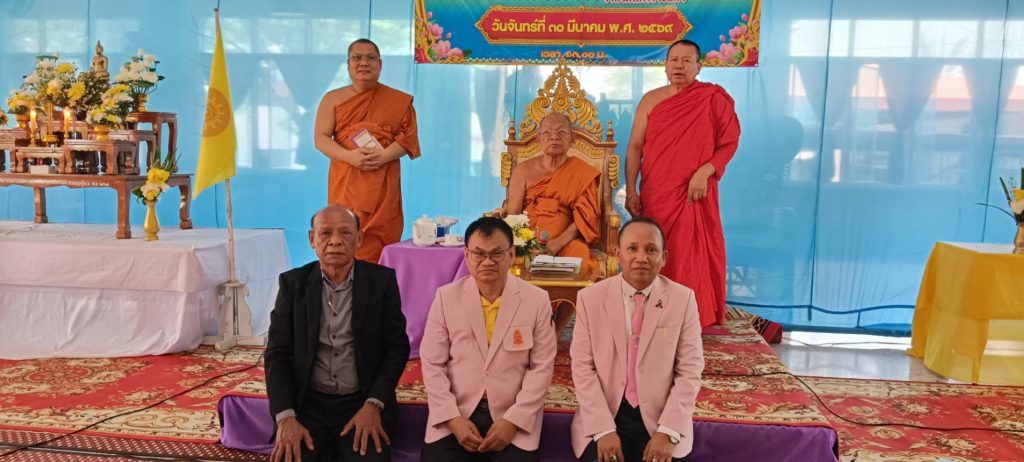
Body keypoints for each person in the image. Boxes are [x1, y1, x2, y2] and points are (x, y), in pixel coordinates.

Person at [265, 205, 410, 462]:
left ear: (359, 239)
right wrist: (285, 417)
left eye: (345, 232)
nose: (335, 241)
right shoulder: (293, 284)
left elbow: (397, 348)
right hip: (307, 404)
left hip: (361, 400)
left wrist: (374, 404)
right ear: (312, 239)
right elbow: (277, 354)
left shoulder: (382, 282)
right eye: (325, 233)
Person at [419, 216, 557, 461]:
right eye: (479, 254)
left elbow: (542, 368)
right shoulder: (446, 298)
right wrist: (453, 419)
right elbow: (432, 363)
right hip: (455, 414)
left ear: (511, 255)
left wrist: (513, 421)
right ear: (466, 255)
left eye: (496, 254)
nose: (487, 262)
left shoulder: (536, 300)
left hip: (512, 416)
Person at [624, 39, 740, 328]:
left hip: (694, 193)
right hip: (657, 191)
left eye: (687, 61)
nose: (679, 66)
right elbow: (635, 147)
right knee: (653, 249)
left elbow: (729, 144)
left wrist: (706, 171)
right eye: (674, 60)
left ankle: (691, 315)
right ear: (665, 65)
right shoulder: (650, 100)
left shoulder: (712, 98)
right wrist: (631, 189)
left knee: (690, 253)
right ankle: (650, 312)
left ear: (698, 67)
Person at [570, 217, 704, 462]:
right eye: (632, 248)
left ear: (664, 257)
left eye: (651, 250)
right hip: (607, 413)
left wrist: (668, 431)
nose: (641, 257)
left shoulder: (682, 299)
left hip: (661, 417)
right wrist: (603, 429)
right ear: (618, 254)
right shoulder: (590, 298)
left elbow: (690, 370)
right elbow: (582, 368)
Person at [314, 38, 421, 263]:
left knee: (381, 243)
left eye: (371, 58)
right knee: (344, 233)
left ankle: (378, 283)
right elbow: (320, 138)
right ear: (348, 64)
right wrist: (349, 156)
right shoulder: (332, 99)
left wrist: (384, 155)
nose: (364, 63)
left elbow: (408, 139)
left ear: (380, 65)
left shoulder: (398, 101)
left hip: (383, 187)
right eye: (357, 58)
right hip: (347, 182)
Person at [507, 112, 601, 273]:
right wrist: (526, 245)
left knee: (582, 261)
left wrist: (557, 244)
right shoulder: (522, 171)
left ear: (572, 139)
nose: (554, 137)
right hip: (528, 240)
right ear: (538, 139)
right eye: (547, 132)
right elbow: (514, 215)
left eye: (562, 132)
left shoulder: (582, 173)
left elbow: (585, 218)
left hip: (566, 241)